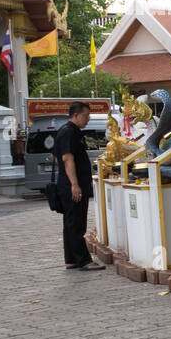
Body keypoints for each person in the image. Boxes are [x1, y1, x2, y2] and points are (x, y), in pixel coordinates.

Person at [55, 101, 105, 270]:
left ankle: (71, 258)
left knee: (70, 222)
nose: (88, 119)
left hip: (68, 183)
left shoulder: (67, 131)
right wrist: (74, 184)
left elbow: (57, 156)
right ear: (76, 115)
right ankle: (84, 260)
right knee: (76, 223)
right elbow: (67, 158)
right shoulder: (68, 132)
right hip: (72, 185)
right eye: (86, 115)